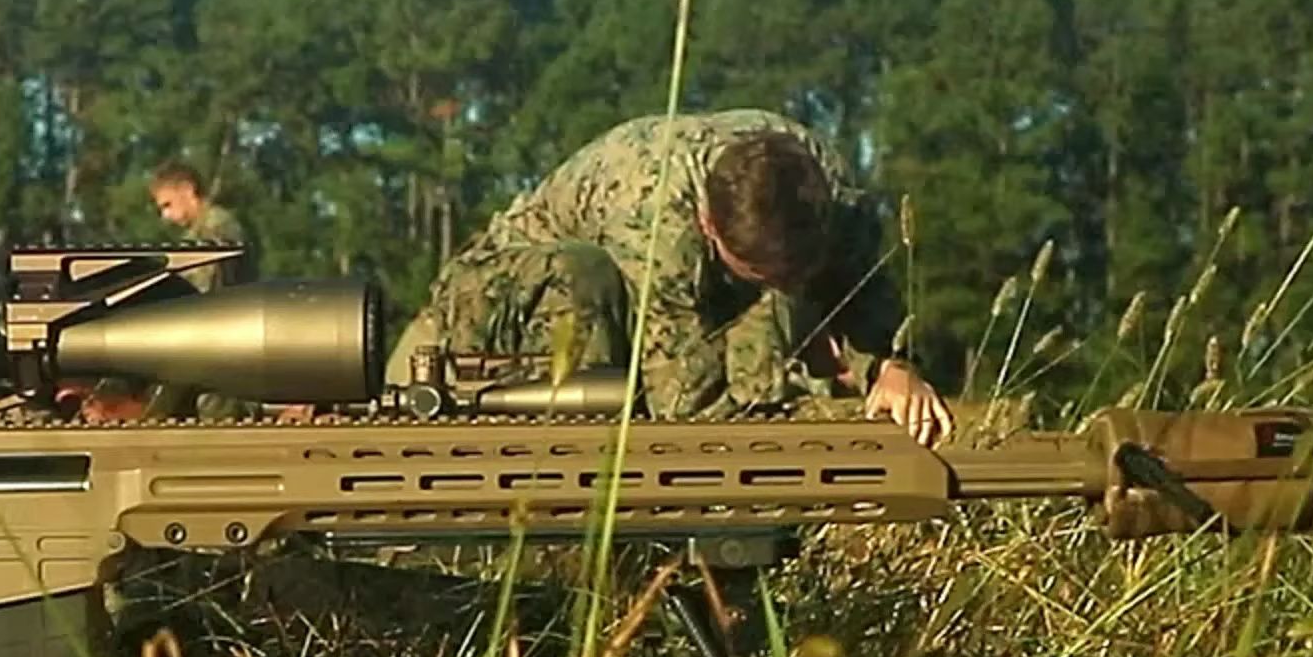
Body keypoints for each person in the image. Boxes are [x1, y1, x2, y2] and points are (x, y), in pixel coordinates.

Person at [383, 108, 953, 443]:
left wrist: (891, 367)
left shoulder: (827, 191)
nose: (780, 287)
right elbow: (684, 405)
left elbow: (864, 297)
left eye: (793, 273)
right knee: (585, 279)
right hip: (497, 320)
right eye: (759, 274)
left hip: (662, 306)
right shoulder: (654, 217)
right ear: (708, 223)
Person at [149, 162, 250, 252]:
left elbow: (206, 270)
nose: (165, 215)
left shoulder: (217, 225)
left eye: (168, 205)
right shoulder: (196, 232)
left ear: (187, 189)